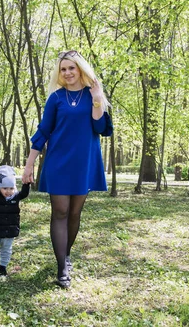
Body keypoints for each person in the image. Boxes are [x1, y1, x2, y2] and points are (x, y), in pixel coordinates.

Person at [22, 50, 112, 288]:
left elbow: (100, 126)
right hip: (58, 161)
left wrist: (97, 98)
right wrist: (29, 165)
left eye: (71, 68)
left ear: (80, 69)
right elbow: (43, 132)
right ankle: (62, 267)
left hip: (84, 162)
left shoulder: (92, 95)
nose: (67, 73)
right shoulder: (56, 98)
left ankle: (67, 254)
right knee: (60, 212)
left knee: (74, 213)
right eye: (63, 69)